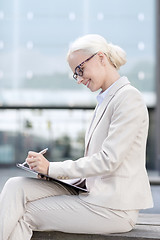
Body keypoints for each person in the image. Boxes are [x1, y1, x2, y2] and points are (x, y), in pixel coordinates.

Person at [0, 34, 153, 240]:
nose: (79, 79)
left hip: (113, 208)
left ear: (101, 58)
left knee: (24, 214)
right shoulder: (105, 101)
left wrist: (53, 168)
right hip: (90, 193)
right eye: (75, 75)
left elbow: (109, 160)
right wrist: (53, 175)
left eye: (80, 70)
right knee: (15, 186)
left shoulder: (128, 98)